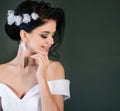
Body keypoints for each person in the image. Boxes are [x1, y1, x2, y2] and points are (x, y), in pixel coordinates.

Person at [0, 0, 70, 111]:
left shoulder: (54, 69)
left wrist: (42, 78)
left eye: (53, 35)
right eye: (44, 35)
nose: (51, 41)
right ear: (24, 35)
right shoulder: (1, 72)